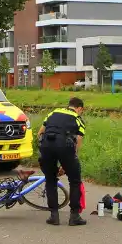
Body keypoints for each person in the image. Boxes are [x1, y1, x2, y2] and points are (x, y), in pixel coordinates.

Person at [36, 97, 87, 226]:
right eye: (81, 110)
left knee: (51, 180)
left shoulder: (54, 112)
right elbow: (78, 140)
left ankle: (54, 215)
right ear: (79, 108)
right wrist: (71, 160)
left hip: (46, 145)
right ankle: (74, 216)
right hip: (65, 146)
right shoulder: (78, 119)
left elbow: (40, 132)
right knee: (75, 181)